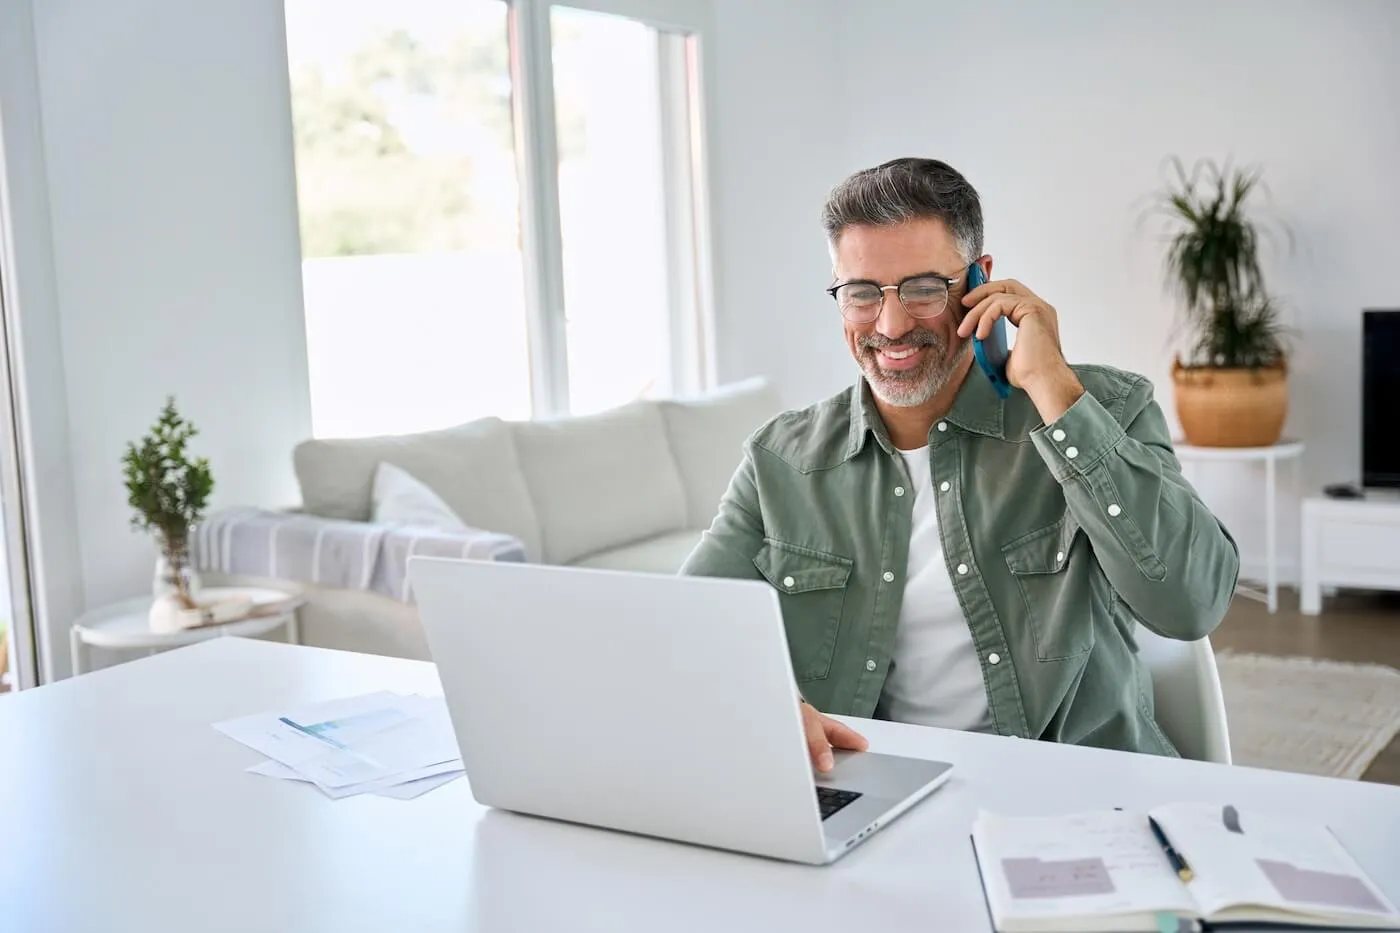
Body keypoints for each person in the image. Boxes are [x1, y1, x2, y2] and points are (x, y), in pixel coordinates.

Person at [680, 157, 1239, 771]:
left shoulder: (1103, 408)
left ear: (981, 280)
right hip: (875, 791)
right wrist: (773, 704)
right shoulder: (779, 460)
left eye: (923, 289)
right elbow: (683, 633)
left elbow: (1191, 605)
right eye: (862, 294)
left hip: (1075, 788)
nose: (890, 326)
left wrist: (1055, 393)